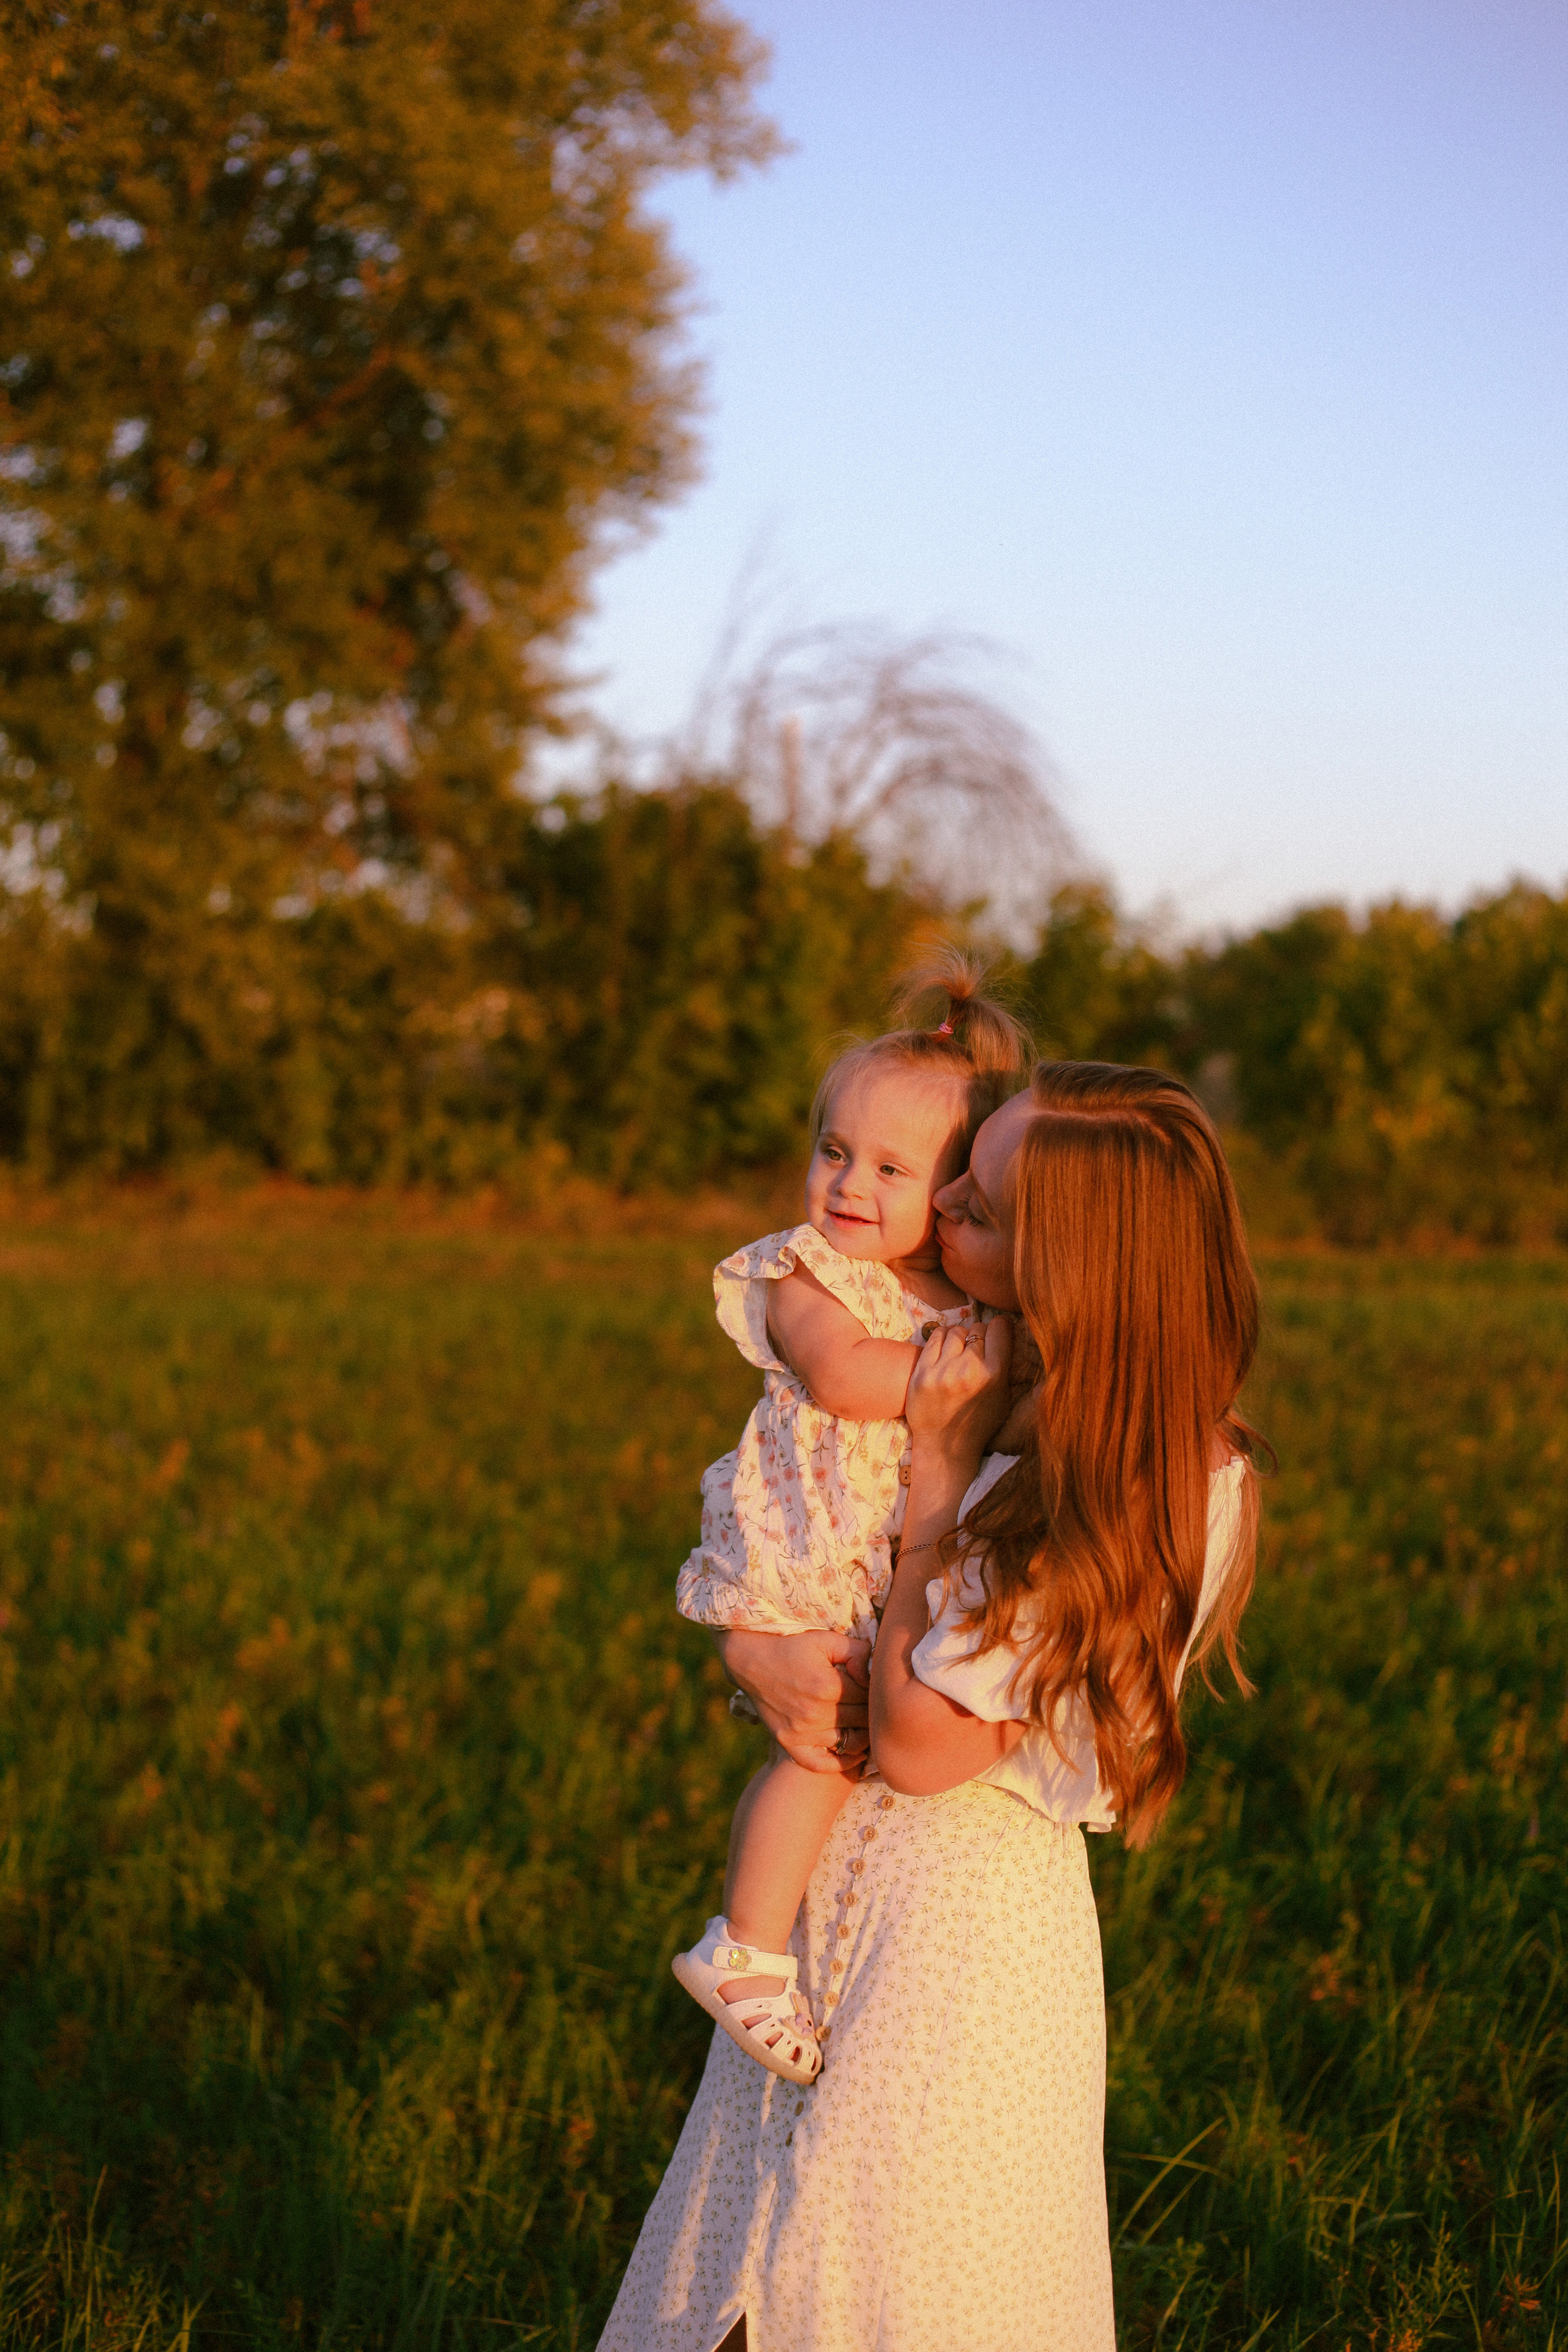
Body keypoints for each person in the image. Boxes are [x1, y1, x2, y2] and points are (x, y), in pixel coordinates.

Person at [599, 1061, 1265, 2352]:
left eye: (983, 1196)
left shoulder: (1155, 1476)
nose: (940, 1196)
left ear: (1071, 1259)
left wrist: (942, 1476)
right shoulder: (958, 1380)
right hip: (819, 1911)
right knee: (738, 2287)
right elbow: (799, 1568)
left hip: (958, 1957)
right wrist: (752, 1658)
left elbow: (916, 1742)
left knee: (889, 2296)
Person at [670, 956, 1030, 2085]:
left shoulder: (973, 1301)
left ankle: (773, 1942)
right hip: (814, 1548)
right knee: (822, 1746)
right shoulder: (808, 1271)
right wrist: (969, 1375)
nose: (848, 1184)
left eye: (890, 1166)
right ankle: (746, 1949)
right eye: (834, 1151)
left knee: (862, 1734)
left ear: (957, 1192)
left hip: (886, 1559)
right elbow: (840, 1378)